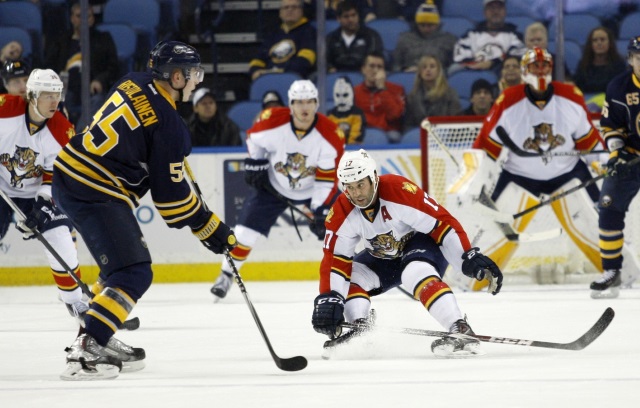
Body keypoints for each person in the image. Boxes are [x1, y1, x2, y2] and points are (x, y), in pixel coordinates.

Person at [52, 40, 237, 380]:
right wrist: (211, 227)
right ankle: (86, 349)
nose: (197, 80)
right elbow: (172, 204)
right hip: (95, 188)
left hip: (69, 173)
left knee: (116, 268)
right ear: (177, 76)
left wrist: (163, 156)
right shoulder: (170, 125)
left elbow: (137, 135)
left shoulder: (133, 80)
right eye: (193, 73)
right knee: (134, 272)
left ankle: (96, 334)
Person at [0, 67, 144, 377]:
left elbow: (56, 173)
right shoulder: (5, 109)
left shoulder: (61, 129)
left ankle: (79, 308)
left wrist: (40, 202)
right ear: (32, 96)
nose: (54, 102)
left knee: (62, 242)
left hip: (34, 193)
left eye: (58, 96)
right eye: (48, 96)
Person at [311, 149, 503, 357]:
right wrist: (330, 298)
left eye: (360, 185)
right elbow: (335, 259)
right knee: (349, 277)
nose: (356, 194)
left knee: (414, 272)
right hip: (383, 256)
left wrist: (467, 257)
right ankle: (360, 328)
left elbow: (442, 224)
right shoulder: (341, 210)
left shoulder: (398, 190)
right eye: (350, 187)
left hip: (422, 244)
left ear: (374, 178)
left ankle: (460, 328)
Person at [470, 47, 611, 291]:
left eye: (545, 65)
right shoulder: (508, 101)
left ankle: (622, 273)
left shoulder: (570, 95)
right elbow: (484, 147)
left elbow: (589, 142)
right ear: (525, 71)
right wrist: (477, 176)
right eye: (535, 66)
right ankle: (469, 281)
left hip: (568, 173)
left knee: (598, 224)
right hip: (519, 176)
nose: (540, 70)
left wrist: (602, 162)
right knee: (492, 227)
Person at [210, 80, 345, 300]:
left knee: (341, 231)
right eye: (299, 102)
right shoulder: (272, 120)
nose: (304, 107)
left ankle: (355, 273)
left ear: (317, 104)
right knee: (244, 233)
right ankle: (226, 274)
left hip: (313, 190)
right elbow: (253, 139)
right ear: (290, 105)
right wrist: (256, 162)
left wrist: (320, 210)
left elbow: (326, 179)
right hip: (273, 187)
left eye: (310, 102)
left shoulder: (330, 134)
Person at [591, 36, 640, 298]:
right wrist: (618, 154)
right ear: (631, 60)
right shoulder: (619, 87)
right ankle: (612, 271)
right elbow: (611, 127)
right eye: (639, 59)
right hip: (632, 156)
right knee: (608, 206)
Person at [44, 2, 120, 131]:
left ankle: (78, 139)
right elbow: (48, 67)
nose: (84, 20)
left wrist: (100, 80)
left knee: (98, 101)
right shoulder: (62, 41)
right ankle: (60, 135)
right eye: (80, 16)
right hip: (67, 90)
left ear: (93, 18)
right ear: (72, 18)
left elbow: (114, 68)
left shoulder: (103, 39)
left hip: (92, 89)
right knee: (54, 100)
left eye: (88, 16)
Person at [449, 0, 525, 76]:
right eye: (491, 8)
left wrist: (492, 63)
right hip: (474, 70)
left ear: (505, 11)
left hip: (502, 72)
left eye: (499, 8)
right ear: (484, 12)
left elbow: (517, 55)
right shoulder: (471, 35)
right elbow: (459, 56)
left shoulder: (515, 35)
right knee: (453, 68)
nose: (495, 12)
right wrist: (477, 64)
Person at [249, 0, 317, 80]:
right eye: (286, 7)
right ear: (280, 13)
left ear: (301, 11)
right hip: (268, 78)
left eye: (294, 7)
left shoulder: (309, 31)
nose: (290, 10)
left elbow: (304, 62)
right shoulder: (273, 33)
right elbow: (258, 59)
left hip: (294, 79)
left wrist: (278, 72)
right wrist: (255, 71)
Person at [354, 51, 405, 142]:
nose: (375, 70)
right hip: (362, 133)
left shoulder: (397, 89)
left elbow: (394, 115)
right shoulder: (354, 92)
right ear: (363, 69)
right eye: (372, 66)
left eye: (379, 67)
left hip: (389, 134)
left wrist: (382, 89)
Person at [393, 0, 457, 72]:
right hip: (410, 77)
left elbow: (453, 68)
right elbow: (396, 65)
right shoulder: (404, 39)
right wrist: (405, 70)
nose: (426, 29)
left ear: (437, 24)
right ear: (417, 24)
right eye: (422, 25)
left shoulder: (449, 40)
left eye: (430, 25)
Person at [405, 55, 460, 130]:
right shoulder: (412, 97)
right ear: (420, 72)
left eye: (432, 66)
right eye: (424, 67)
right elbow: (408, 125)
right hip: (419, 137)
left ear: (439, 71)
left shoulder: (450, 94)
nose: (428, 70)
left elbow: (456, 121)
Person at [326, 0, 383, 73]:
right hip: (337, 76)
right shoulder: (331, 38)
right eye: (346, 16)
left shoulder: (371, 36)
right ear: (338, 19)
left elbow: (375, 58)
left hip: (364, 76)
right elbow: (324, 61)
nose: (351, 20)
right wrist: (330, 69)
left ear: (358, 16)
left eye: (353, 15)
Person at [574, 27, 627, 95]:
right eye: (595, 40)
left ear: (610, 43)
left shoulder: (619, 65)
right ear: (590, 44)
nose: (599, 43)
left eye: (602, 40)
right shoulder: (583, 65)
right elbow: (578, 90)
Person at [327, 76, 366, 144]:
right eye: (338, 95)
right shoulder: (330, 115)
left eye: (345, 95)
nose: (341, 100)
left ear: (352, 94)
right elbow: (329, 139)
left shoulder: (357, 114)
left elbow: (355, 140)